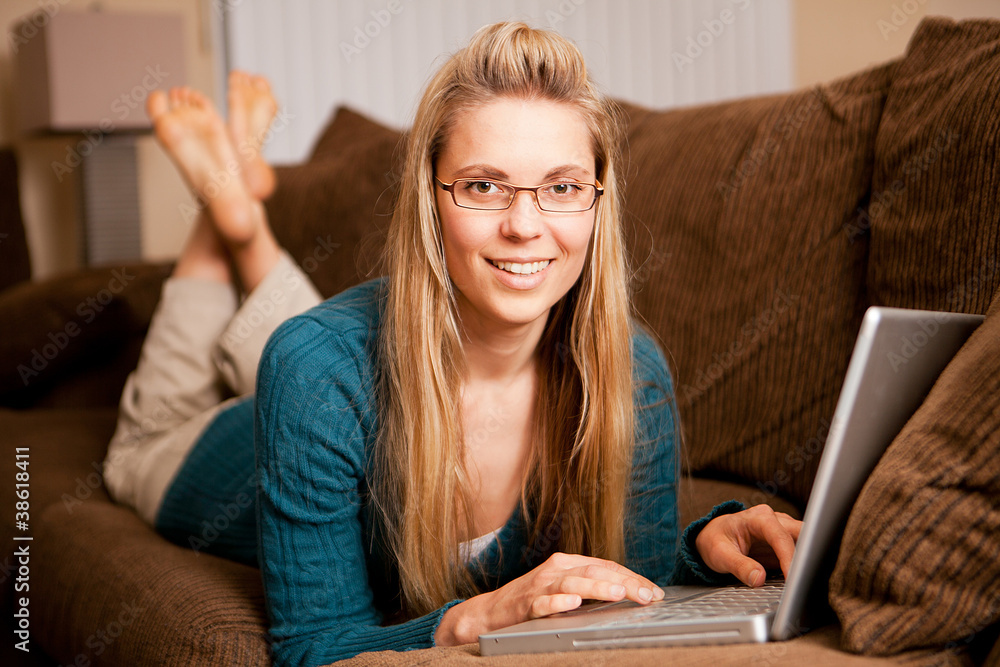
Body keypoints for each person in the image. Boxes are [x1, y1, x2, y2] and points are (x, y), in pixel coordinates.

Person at [103, 22, 801, 667]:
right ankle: (226, 217)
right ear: (429, 199)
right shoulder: (317, 370)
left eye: (561, 186)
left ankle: (240, 214)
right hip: (197, 444)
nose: (526, 226)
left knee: (330, 348)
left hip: (348, 369)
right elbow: (314, 644)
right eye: (483, 186)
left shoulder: (633, 371)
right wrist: (475, 618)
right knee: (155, 431)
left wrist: (706, 554)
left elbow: (635, 588)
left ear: (597, 197)